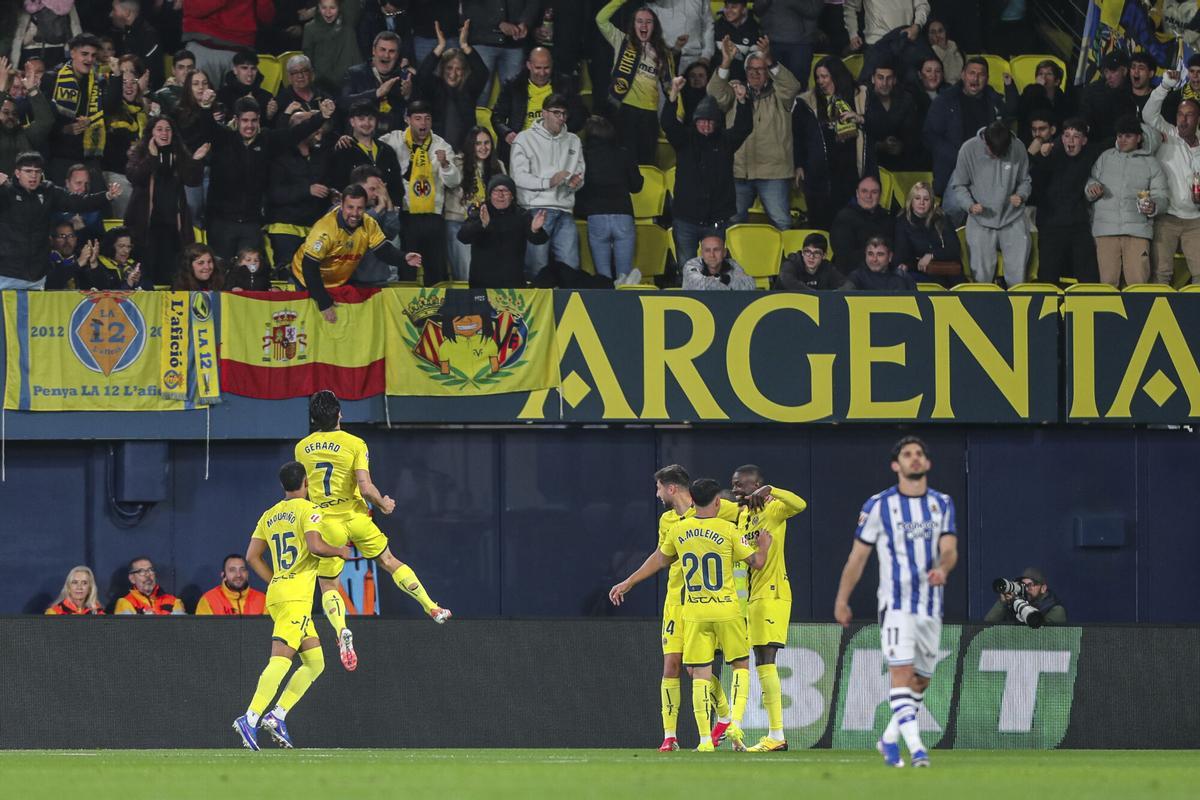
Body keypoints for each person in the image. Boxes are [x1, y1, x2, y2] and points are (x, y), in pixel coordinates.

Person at [609, 478, 771, 752]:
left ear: (691, 500)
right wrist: (764, 545)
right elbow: (756, 561)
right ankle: (733, 721)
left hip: (694, 609)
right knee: (740, 665)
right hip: (726, 608)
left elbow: (660, 559)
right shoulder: (727, 528)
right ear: (718, 502)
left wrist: (629, 581)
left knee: (700, 673)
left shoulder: (679, 530)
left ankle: (705, 740)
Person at [295, 390, 452, 672]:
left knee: (329, 585)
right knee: (389, 561)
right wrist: (383, 504)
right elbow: (365, 487)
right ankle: (431, 606)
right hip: (355, 516)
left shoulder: (301, 448)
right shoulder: (356, 443)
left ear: (313, 418)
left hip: (326, 523)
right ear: (340, 414)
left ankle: (341, 629)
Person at [834, 435, 958, 768]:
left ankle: (888, 739)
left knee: (922, 680)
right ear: (896, 465)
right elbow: (858, 558)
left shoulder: (942, 503)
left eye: (919, 454)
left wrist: (942, 569)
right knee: (901, 674)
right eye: (907, 454)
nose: (914, 458)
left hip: (931, 606)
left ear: (927, 463)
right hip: (896, 604)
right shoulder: (878, 505)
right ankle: (917, 750)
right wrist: (842, 599)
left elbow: (949, 549)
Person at [232, 461, 353, 751]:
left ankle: (278, 715)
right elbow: (314, 545)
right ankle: (250, 717)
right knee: (281, 659)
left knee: (315, 662)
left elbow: (252, 555)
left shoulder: (270, 514)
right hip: (296, 595)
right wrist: (339, 550)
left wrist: (275, 579)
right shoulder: (309, 510)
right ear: (306, 483)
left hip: (281, 592)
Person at [201, 96, 335, 264]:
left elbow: (295, 133)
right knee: (221, 271)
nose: (249, 126)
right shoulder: (223, 139)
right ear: (236, 120)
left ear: (259, 120)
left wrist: (321, 116)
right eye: (245, 120)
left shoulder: (267, 140)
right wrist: (205, 108)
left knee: (251, 273)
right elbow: (207, 128)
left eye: (254, 120)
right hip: (221, 223)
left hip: (251, 223)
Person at [730, 465, 807, 753]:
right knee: (762, 661)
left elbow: (800, 504)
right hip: (753, 598)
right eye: (733, 484)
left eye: (741, 485)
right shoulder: (743, 516)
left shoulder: (773, 509)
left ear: (757, 485)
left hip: (773, 593)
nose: (736, 489)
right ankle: (774, 734)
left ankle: (777, 734)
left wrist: (771, 490)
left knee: (766, 659)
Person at [709, 34, 803, 230]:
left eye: (760, 69)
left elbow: (793, 86)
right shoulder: (735, 93)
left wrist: (770, 58)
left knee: (782, 223)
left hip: (774, 173)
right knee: (733, 224)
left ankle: (785, 261)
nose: (755, 73)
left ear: (768, 72)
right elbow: (714, 94)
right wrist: (726, 62)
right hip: (739, 171)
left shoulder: (780, 95)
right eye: (751, 69)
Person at [292, 184, 422, 322]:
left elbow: (383, 250)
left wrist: (403, 258)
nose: (355, 213)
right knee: (307, 325)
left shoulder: (369, 224)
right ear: (341, 205)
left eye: (360, 208)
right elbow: (309, 266)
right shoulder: (325, 229)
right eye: (350, 207)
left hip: (336, 283)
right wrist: (323, 302)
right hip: (304, 281)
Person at [664, 79, 753, 267]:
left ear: (717, 123)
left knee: (715, 268)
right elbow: (668, 123)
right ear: (695, 121)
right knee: (687, 267)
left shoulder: (725, 141)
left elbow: (744, 127)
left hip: (716, 218)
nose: (705, 125)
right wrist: (673, 95)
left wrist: (743, 101)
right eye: (702, 121)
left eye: (710, 122)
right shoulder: (684, 139)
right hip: (685, 217)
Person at [0, 150, 119, 291]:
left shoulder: (48, 191)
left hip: (37, 277)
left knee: (35, 314)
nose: (33, 175)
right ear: (17, 173)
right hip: (7, 274)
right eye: (28, 171)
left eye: (37, 171)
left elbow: (77, 201)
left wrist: (107, 196)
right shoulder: (5, 191)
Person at [380, 99, 462, 285]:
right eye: (418, 119)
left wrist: (445, 164)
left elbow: (454, 181)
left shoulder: (441, 145)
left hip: (433, 215)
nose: (423, 123)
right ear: (407, 120)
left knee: (436, 268)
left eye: (427, 119)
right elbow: (372, 148)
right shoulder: (394, 140)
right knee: (407, 267)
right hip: (407, 215)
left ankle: (439, 310)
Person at [923, 57, 1018, 206]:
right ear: (963, 75)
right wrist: (959, 156)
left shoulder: (994, 101)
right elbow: (930, 136)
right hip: (956, 166)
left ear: (987, 78)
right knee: (954, 207)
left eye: (981, 74)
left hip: (988, 167)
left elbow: (1011, 118)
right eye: (971, 73)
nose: (976, 78)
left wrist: (1010, 87)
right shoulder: (945, 100)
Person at [1087, 115, 1168, 287]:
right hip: (1105, 230)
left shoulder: (1151, 164)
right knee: (1107, 285)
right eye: (1120, 136)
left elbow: (1162, 197)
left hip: (1137, 232)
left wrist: (1154, 206)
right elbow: (1091, 179)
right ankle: (1107, 315)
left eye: (1128, 136)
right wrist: (1092, 188)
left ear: (1139, 138)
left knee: (1137, 284)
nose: (1122, 140)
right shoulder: (1105, 157)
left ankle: (1140, 315)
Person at [124, 117, 207, 286]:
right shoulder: (139, 153)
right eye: (159, 129)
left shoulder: (179, 154)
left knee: (171, 276)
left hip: (173, 228)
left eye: (168, 129)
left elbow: (192, 180)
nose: (164, 133)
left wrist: (196, 161)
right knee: (147, 276)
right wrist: (153, 157)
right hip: (146, 229)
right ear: (151, 132)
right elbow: (135, 177)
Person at [510, 93, 585, 275]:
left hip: (565, 211)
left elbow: (580, 174)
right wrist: (548, 182)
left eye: (564, 114)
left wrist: (574, 184)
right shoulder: (524, 139)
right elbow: (518, 177)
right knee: (536, 270)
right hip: (535, 210)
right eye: (556, 113)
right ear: (543, 113)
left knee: (571, 269)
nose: (561, 118)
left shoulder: (574, 140)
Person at [948, 121, 1031, 285]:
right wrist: (969, 205)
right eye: (993, 152)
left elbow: (1025, 180)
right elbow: (959, 185)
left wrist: (1021, 195)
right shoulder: (968, 149)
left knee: (1018, 276)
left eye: (1001, 153)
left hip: (1012, 218)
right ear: (985, 141)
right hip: (980, 219)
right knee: (981, 278)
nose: (996, 156)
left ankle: (1019, 308)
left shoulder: (1018, 147)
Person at [793, 55, 870, 230]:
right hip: (818, 178)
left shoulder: (858, 97)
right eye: (818, 77)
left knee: (847, 225)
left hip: (849, 174)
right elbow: (798, 137)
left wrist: (860, 118)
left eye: (825, 76)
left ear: (836, 76)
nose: (820, 81)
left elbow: (875, 125)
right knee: (820, 224)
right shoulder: (806, 103)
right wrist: (799, 165)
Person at [596, 1, 676, 165]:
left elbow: (670, 87)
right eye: (639, 21)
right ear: (633, 25)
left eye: (648, 21)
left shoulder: (663, 53)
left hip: (649, 115)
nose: (644, 25)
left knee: (646, 162)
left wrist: (677, 114)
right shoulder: (621, 40)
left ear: (655, 26)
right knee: (623, 161)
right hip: (623, 111)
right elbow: (601, 19)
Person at [1143, 70, 1200, 285]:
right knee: (1161, 274)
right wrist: (1165, 86)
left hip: (1196, 220)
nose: (1183, 120)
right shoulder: (1168, 135)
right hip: (1167, 217)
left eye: (1189, 115)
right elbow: (1149, 115)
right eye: (1180, 114)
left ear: (1198, 119)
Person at [1030, 117, 1101, 285]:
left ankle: (1088, 308)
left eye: (1076, 136)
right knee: (1048, 274)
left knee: (1088, 275)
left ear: (1084, 141)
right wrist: (1042, 157)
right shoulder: (1050, 156)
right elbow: (1034, 187)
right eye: (1067, 135)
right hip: (1050, 225)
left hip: (1078, 224)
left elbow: (1117, 140)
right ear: (1061, 138)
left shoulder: (1091, 155)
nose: (1070, 140)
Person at [576, 114, 642, 282]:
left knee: (603, 278)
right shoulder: (624, 153)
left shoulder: (583, 155)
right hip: (623, 214)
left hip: (596, 215)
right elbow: (637, 186)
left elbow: (578, 187)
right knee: (625, 277)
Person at [491, 45, 585, 162]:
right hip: (523, 148)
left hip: (557, 146)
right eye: (538, 68)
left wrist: (561, 131)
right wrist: (507, 133)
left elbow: (580, 116)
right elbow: (497, 117)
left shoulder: (565, 84)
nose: (542, 73)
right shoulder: (513, 86)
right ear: (529, 65)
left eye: (546, 68)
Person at [457, 174, 547, 288]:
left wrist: (535, 230)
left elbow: (540, 240)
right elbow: (462, 237)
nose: (500, 195)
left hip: (513, 286)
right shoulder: (481, 211)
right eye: (496, 191)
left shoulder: (521, 214)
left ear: (512, 195)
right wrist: (482, 224)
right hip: (481, 285)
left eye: (505, 191)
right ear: (490, 194)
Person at [415, 20, 490, 157]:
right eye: (449, 68)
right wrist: (440, 46)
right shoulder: (435, 87)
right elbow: (422, 76)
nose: (453, 74)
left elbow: (482, 72)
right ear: (442, 68)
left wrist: (464, 45)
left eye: (458, 69)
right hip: (436, 151)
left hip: (464, 153)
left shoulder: (469, 89)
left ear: (464, 71)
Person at [445, 126, 505, 281]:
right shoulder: (457, 163)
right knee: (466, 276)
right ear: (470, 145)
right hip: (459, 223)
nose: (483, 148)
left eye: (487, 143)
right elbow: (450, 181)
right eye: (478, 143)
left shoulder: (499, 165)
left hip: (487, 225)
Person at [45, 34, 104, 184]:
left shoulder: (98, 82)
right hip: (60, 155)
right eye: (84, 54)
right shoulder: (52, 79)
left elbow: (108, 109)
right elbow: (43, 119)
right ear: (72, 53)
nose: (89, 60)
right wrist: (65, 129)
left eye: (93, 55)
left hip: (88, 156)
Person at [461, 0, 539, 105]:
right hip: (483, 41)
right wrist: (498, 23)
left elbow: (533, 3)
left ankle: (509, 121)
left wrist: (525, 22)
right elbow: (470, 6)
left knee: (514, 93)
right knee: (480, 92)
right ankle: (477, 122)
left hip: (515, 43)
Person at [181, 0, 274, 88]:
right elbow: (191, 8)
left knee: (240, 103)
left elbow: (267, 16)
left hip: (239, 50)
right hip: (203, 46)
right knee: (195, 100)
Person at [340, 30, 413, 136]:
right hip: (360, 140)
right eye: (382, 50)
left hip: (392, 140)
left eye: (392, 51)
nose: (386, 55)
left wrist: (407, 96)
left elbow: (412, 113)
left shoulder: (402, 78)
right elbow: (344, 102)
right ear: (374, 51)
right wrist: (376, 93)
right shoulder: (355, 73)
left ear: (397, 55)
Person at [331, 101, 403, 199]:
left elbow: (398, 187)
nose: (367, 123)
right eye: (361, 119)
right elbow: (339, 187)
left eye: (371, 119)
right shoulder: (343, 150)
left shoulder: (387, 150)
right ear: (352, 122)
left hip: (386, 211)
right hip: (356, 211)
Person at [893, 180, 962, 285]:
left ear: (932, 202)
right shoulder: (902, 221)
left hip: (947, 274)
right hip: (919, 274)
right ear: (911, 200)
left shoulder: (942, 219)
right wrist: (914, 264)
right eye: (917, 198)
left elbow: (955, 249)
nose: (922, 202)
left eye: (926, 199)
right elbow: (901, 255)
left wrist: (932, 255)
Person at [862, 59, 920, 171]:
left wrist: (902, 145)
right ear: (873, 79)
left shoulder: (905, 99)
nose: (885, 83)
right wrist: (880, 146)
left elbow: (913, 133)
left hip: (901, 159)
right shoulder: (862, 99)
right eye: (880, 78)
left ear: (894, 80)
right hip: (870, 160)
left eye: (889, 78)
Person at [0, 57, 54, 175]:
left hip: (22, 190)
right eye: (5, 112)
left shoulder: (26, 135)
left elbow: (46, 121)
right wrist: (1, 90)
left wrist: (32, 89)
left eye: (14, 114)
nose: (10, 116)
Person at [831, 174, 893, 274]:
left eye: (874, 192)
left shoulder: (887, 219)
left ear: (880, 195)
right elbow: (844, 256)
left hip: (883, 275)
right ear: (857, 193)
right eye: (864, 191)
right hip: (851, 276)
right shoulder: (844, 218)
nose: (869, 196)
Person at [1079, 51, 1137, 147]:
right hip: (1094, 143)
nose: (1108, 76)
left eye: (1113, 71)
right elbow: (1084, 116)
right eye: (1106, 72)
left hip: (1123, 145)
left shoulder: (1133, 91)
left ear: (1125, 71)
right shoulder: (1093, 91)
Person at [303, 0, 363, 91]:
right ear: (318, 7)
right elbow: (308, 59)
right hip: (322, 86)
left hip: (348, 84)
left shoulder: (348, 23)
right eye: (324, 8)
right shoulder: (310, 28)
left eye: (332, 8)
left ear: (339, 7)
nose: (328, 13)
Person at [1017, 59, 1074, 146]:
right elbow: (1021, 113)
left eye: (1049, 74)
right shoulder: (1030, 92)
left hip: (1056, 143)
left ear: (1057, 81)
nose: (1044, 77)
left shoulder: (1063, 98)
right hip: (1031, 141)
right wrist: (1038, 87)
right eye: (1040, 74)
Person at [983, 567, 1067, 625]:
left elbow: (1043, 638)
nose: (1026, 589)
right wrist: (1002, 603)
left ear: (1043, 588)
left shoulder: (1055, 610)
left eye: (1030, 585)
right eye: (1023, 585)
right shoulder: (1015, 603)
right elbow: (986, 625)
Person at [110, 0, 163, 89]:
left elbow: (151, 71)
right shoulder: (126, 33)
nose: (111, 14)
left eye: (115, 10)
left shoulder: (148, 36)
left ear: (127, 13)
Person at [215, 48, 276, 125]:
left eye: (253, 68)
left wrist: (269, 117)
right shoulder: (221, 95)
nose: (250, 73)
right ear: (235, 70)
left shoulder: (266, 97)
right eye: (244, 68)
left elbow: (270, 130)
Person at [196, 554, 267, 615]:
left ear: (247, 574)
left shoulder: (263, 599)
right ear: (224, 576)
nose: (238, 574)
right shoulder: (208, 600)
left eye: (242, 569)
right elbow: (203, 630)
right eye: (232, 570)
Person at [114, 556, 186, 614]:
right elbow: (127, 631)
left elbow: (180, 630)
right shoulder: (125, 602)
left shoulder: (173, 601)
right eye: (141, 571)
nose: (148, 575)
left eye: (150, 570)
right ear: (132, 578)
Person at [842, 235, 916, 289]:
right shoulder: (856, 277)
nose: (874, 259)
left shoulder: (903, 278)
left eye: (880, 254)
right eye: (870, 254)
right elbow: (840, 297)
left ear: (890, 257)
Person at [713, 1, 763, 81]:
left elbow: (754, 62)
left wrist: (737, 54)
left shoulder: (754, 29)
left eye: (733, 7)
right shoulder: (717, 26)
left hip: (742, 81)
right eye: (727, 7)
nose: (729, 11)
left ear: (743, 9)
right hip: (718, 80)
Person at [776, 231, 843, 290]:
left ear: (824, 256)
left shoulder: (828, 267)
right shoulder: (792, 263)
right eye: (807, 251)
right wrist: (815, 295)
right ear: (802, 252)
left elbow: (846, 285)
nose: (811, 257)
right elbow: (787, 280)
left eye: (816, 253)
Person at [149, 49, 195, 118]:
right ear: (173, 70)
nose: (186, 72)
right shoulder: (160, 96)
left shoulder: (202, 92)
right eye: (181, 67)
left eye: (190, 67)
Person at [46, 220, 91, 290]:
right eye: (62, 236)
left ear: (76, 239)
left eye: (71, 236)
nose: (67, 240)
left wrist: (95, 265)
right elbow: (50, 282)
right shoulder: (44, 260)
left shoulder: (83, 259)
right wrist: (78, 264)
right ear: (51, 240)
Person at [1128, 52, 1157, 118]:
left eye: (1141, 68)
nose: (1136, 71)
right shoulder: (1120, 97)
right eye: (1133, 67)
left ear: (1151, 74)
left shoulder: (1158, 99)